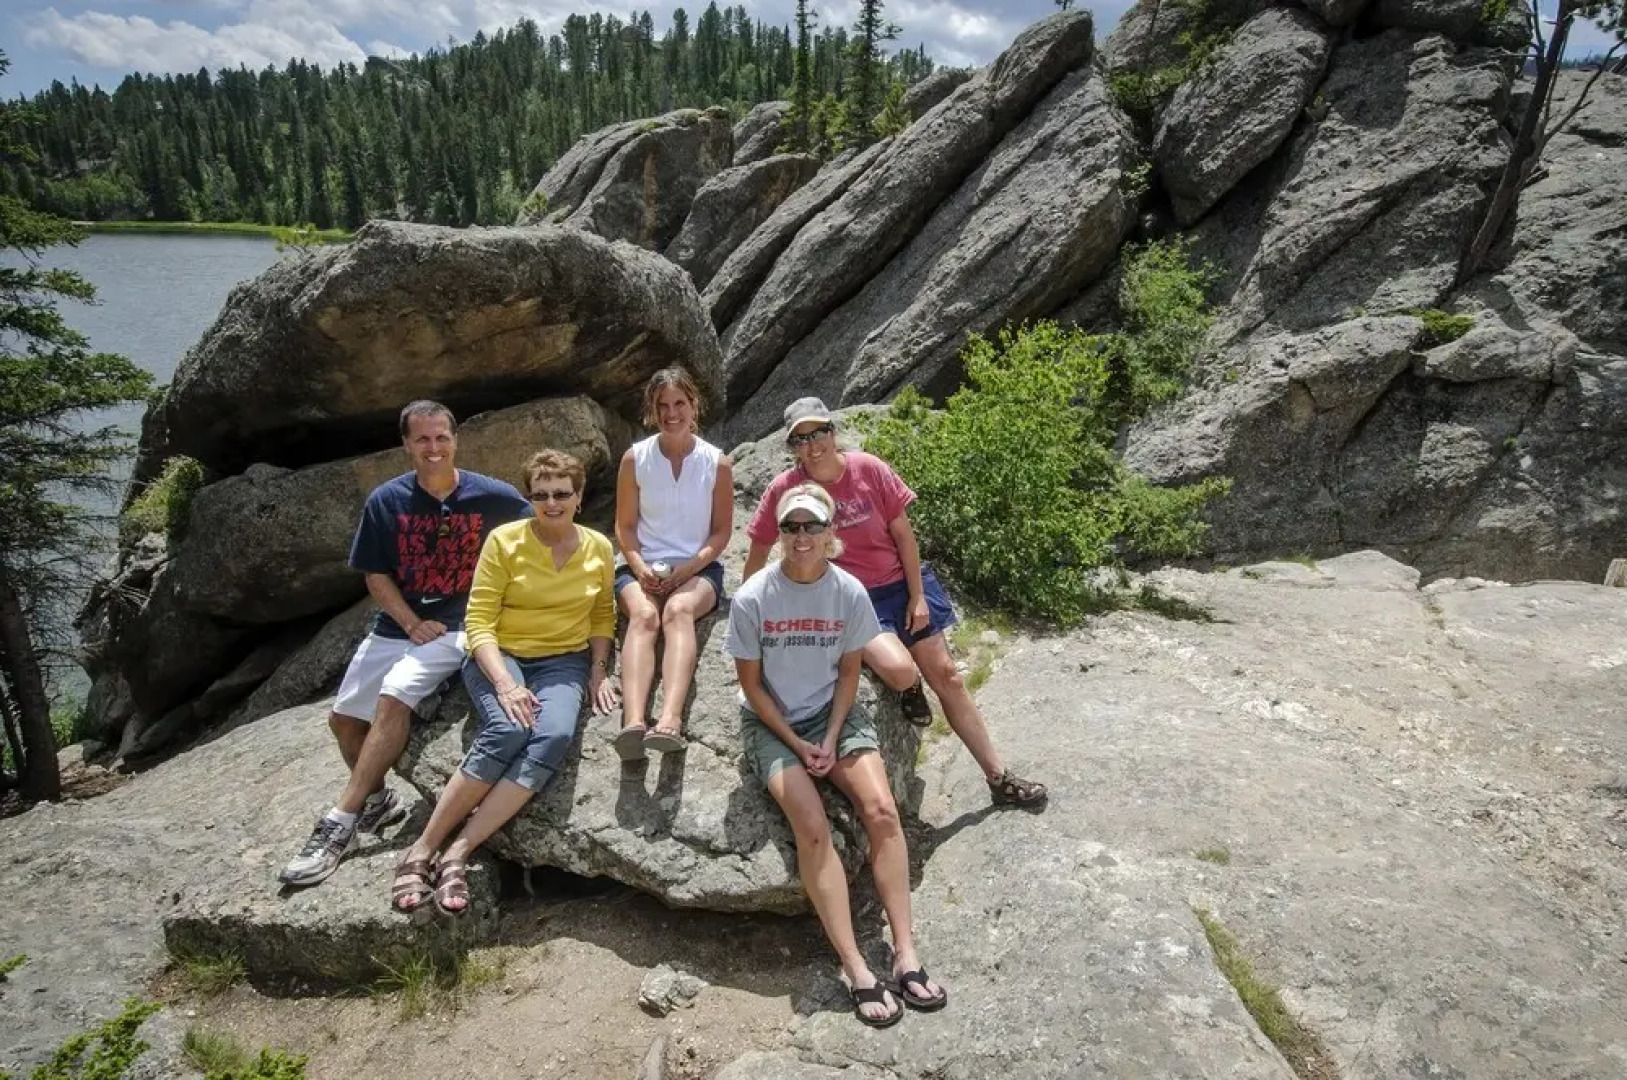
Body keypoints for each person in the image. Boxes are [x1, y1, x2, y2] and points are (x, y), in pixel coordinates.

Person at [743, 398, 1047, 809]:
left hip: (902, 584)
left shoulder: (869, 469)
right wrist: (754, 613)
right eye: (800, 439)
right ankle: (909, 690)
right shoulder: (787, 490)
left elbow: (905, 536)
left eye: (818, 433)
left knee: (949, 677)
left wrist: (918, 597)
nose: (812, 445)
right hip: (852, 600)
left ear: (832, 432)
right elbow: (759, 549)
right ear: (792, 447)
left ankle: (998, 777)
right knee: (900, 669)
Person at [279, 401, 532, 887]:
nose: (433, 448)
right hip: (402, 625)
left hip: (460, 625)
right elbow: (376, 574)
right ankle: (377, 800)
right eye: (422, 439)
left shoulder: (491, 496)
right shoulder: (386, 501)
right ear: (406, 445)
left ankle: (340, 823)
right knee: (343, 720)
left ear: (455, 440)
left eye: (441, 438)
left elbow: (539, 526)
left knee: (394, 696)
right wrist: (411, 622)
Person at [727, 483, 947, 1026]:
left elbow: (851, 671)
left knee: (882, 812)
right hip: (772, 722)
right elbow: (751, 687)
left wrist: (828, 737)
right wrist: (799, 743)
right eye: (790, 527)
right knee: (813, 824)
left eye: (811, 527)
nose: (800, 538)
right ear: (779, 534)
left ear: (830, 534)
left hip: (834, 714)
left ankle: (905, 952)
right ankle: (855, 966)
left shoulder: (848, 591)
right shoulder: (754, 596)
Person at [391, 449, 619, 916]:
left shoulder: (598, 547)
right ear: (528, 497)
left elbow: (602, 616)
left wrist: (599, 671)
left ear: (578, 497)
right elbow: (478, 623)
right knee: (509, 728)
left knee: (552, 734)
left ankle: (458, 851)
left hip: (564, 663)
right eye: (540, 495)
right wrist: (506, 684)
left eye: (561, 494)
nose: (551, 503)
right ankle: (421, 850)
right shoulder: (504, 541)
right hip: (501, 656)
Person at [610, 367, 733, 760]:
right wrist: (639, 567)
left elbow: (720, 533)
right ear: (651, 409)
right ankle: (633, 723)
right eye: (662, 405)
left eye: (679, 403)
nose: (671, 413)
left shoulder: (717, 463)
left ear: (694, 405)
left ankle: (670, 721)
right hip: (640, 564)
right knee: (644, 616)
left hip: (698, 570)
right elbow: (625, 527)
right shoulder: (635, 459)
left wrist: (687, 570)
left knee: (678, 611)